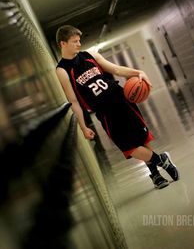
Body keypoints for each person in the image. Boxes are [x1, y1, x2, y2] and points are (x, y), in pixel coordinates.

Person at [55, 25, 179, 189]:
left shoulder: (90, 55)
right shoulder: (62, 70)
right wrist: (83, 126)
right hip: (104, 111)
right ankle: (161, 160)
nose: (79, 44)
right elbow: (74, 101)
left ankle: (155, 175)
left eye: (79, 41)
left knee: (141, 138)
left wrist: (137, 72)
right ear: (63, 44)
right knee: (129, 147)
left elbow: (116, 69)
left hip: (121, 99)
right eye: (74, 42)